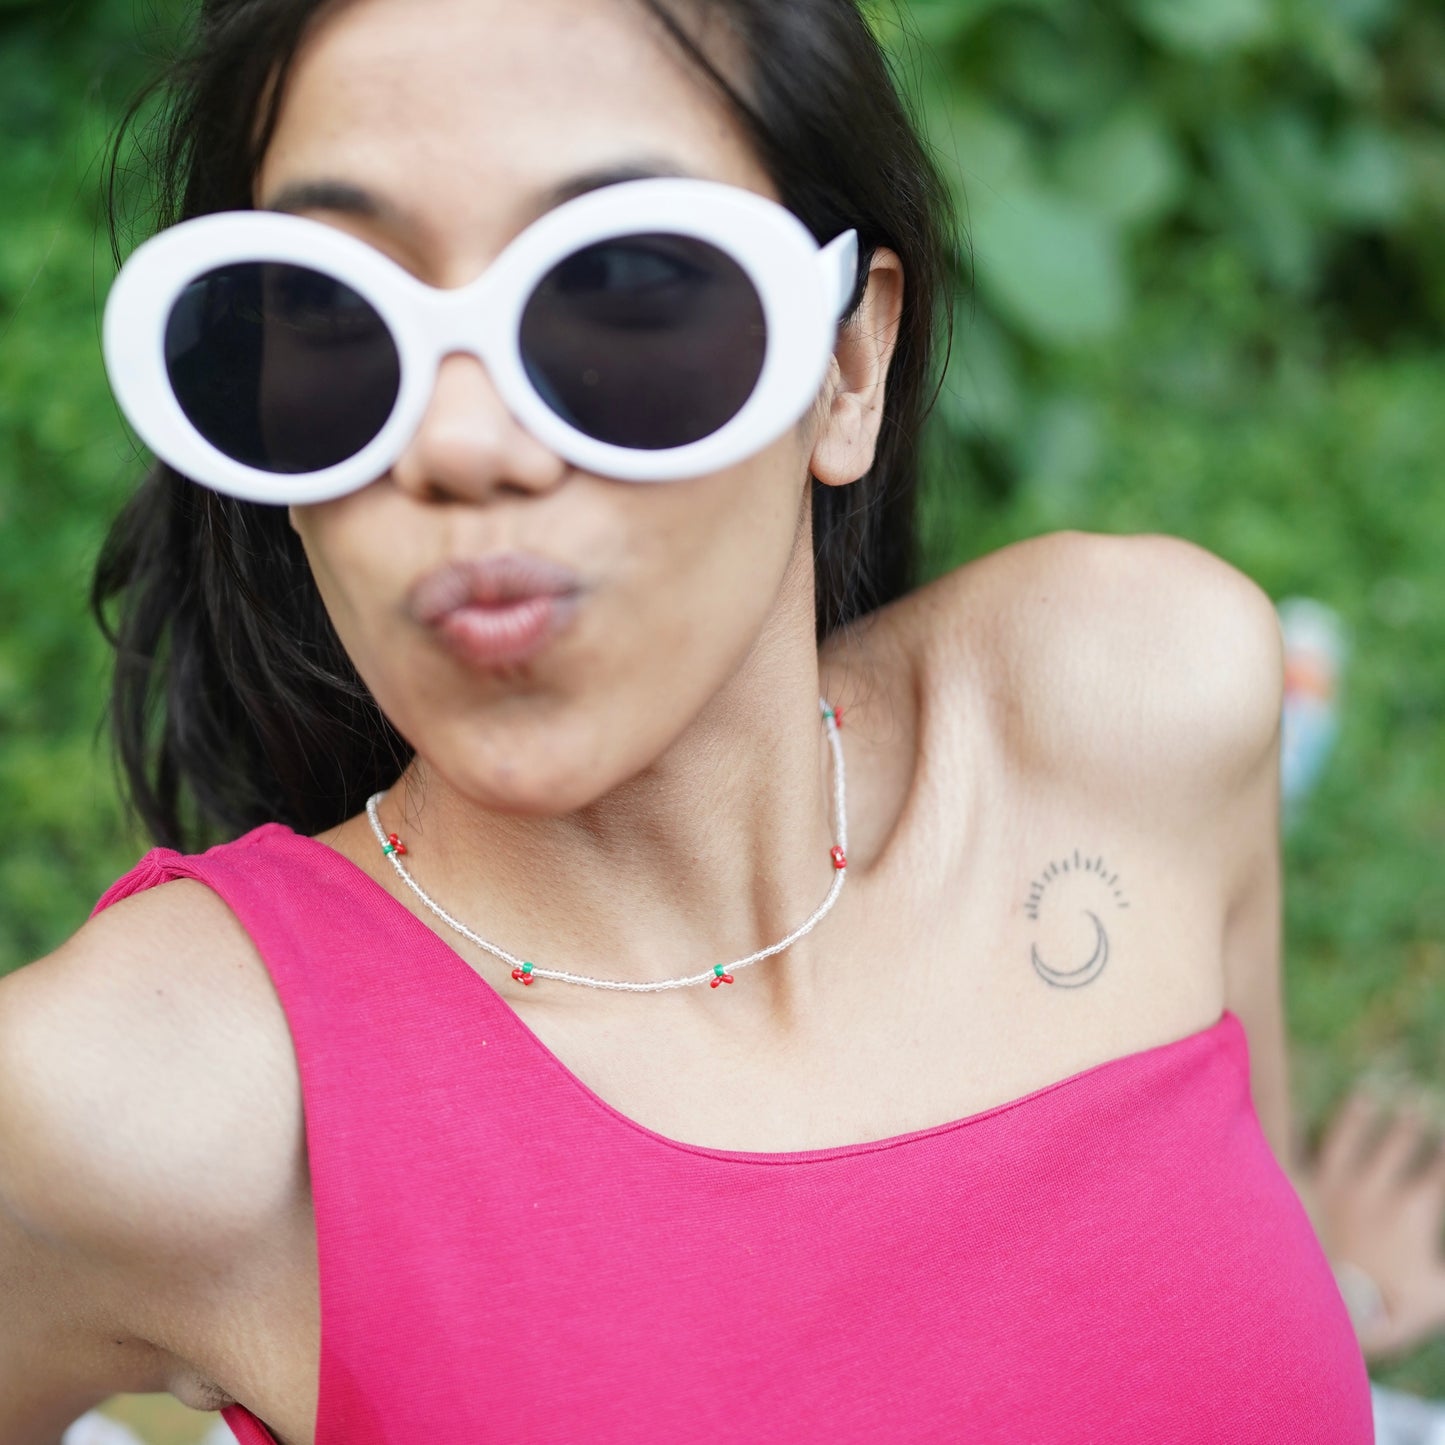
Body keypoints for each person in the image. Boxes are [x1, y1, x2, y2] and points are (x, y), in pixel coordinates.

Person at [0, 0, 1376, 1441]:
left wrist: (1332, 1291)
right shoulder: (154, 1102)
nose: (457, 443)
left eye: (620, 282)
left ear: (846, 366)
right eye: (332, 312)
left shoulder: (1146, 706)